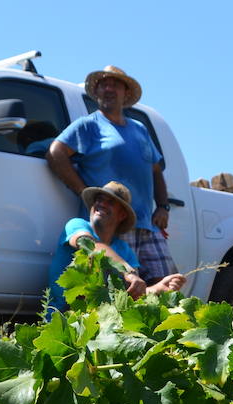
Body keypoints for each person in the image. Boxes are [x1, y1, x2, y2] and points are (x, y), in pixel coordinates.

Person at [45, 66, 177, 285]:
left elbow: (155, 171)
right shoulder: (88, 125)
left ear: (126, 93)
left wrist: (163, 206)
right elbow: (55, 153)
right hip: (112, 224)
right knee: (120, 287)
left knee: (166, 286)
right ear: (96, 93)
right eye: (103, 84)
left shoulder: (140, 129)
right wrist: (84, 192)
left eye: (115, 84)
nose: (108, 88)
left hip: (146, 223)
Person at [46, 182, 185, 313]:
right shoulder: (77, 225)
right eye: (99, 199)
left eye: (110, 202)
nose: (102, 204)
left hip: (100, 323)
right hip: (63, 318)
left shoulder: (125, 250)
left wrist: (157, 289)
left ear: (122, 215)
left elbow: (131, 293)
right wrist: (126, 271)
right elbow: (89, 244)